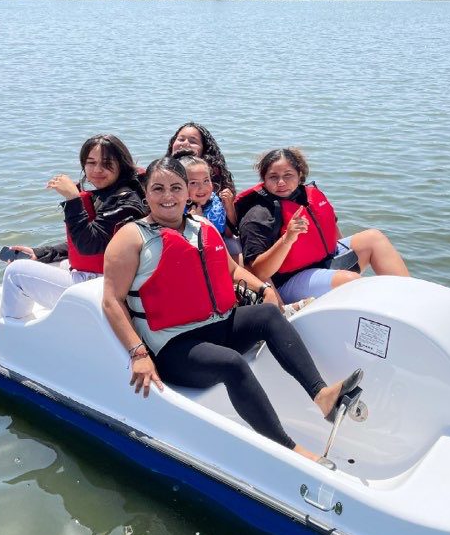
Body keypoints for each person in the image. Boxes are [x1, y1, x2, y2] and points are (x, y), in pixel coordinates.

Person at [102, 156, 363, 463]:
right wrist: (139, 354)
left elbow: (230, 271)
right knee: (232, 363)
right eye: (158, 189)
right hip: (175, 346)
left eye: (176, 187)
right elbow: (111, 300)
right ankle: (287, 448)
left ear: (188, 192)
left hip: (218, 325)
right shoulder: (132, 238)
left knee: (267, 315)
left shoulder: (203, 226)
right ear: (145, 193)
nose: (168, 196)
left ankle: (322, 396)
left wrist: (264, 289)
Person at [236, 147, 409, 305]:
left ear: (299, 174)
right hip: (289, 280)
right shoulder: (258, 215)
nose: (281, 182)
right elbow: (258, 272)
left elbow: (333, 232)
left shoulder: (308, 195)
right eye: (273, 177)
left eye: (288, 175)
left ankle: (408, 296)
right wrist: (287, 239)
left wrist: (342, 256)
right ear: (264, 179)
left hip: (323, 262)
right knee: (351, 282)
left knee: (374, 237)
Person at [0, 134, 146, 320]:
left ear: (122, 164)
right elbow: (92, 242)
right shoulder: (110, 193)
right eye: (91, 162)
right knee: (38, 262)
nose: (97, 170)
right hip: (99, 275)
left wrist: (73, 200)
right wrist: (41, 253)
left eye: (107, 163)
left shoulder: (126, 201)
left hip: (106, 286)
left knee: (15, 272)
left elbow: (89, 245)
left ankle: (11, 331)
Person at [166, 122, 237, 228]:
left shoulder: (215, 194)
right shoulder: (161, 175)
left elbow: (230, 230)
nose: (185, 144)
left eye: (193, 141)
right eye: (181, 139)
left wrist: (229, 206)